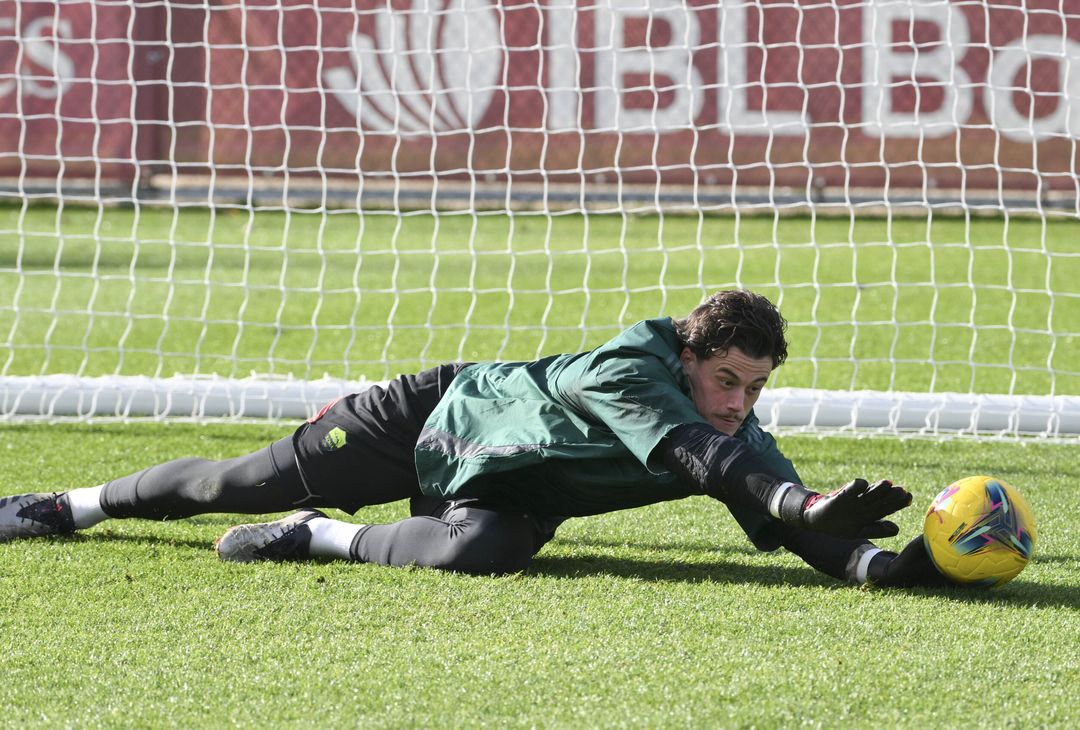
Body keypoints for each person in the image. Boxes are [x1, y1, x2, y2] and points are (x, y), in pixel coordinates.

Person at [0, 290, 950, 588]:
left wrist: (881, 562)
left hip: (504, 493)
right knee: (230, 484)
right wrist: (787, 499)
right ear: (687, 354)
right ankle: (72, 505)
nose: (737, 404)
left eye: (754, 388)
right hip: (435, 418)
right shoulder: (633, 372)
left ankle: (316, 533)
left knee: (485, 552)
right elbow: (700, 461)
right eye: (725, 380)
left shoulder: (734, 432)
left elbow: (785, 515)